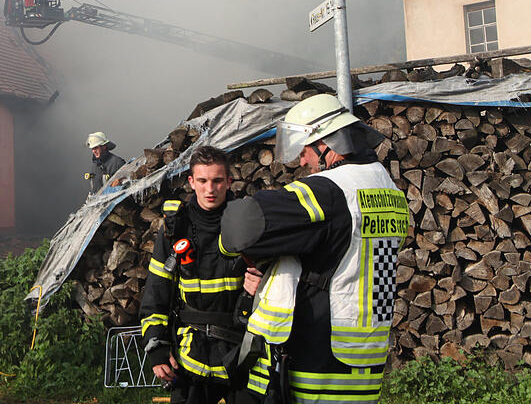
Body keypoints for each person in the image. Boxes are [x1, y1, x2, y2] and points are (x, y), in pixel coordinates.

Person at [220, 94, 409, 404]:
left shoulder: (331, 191)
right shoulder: (390, 191)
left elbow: (240, 226)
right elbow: (340, 258)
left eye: (305, 150)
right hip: (362, 365)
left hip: (310, 368)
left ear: (327, 143)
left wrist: (258, 255)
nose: (302, 161)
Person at [139, 146, 260, 404]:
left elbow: (277, 281)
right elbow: (156, 291)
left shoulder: (249, 223)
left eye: (217, 181)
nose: (210, 189)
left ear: (229, 181)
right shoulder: (176, 227)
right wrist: (156, 347)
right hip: (190, 355)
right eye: (203, 181)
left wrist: (261, 286)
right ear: (191, 182)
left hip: (242, 351)